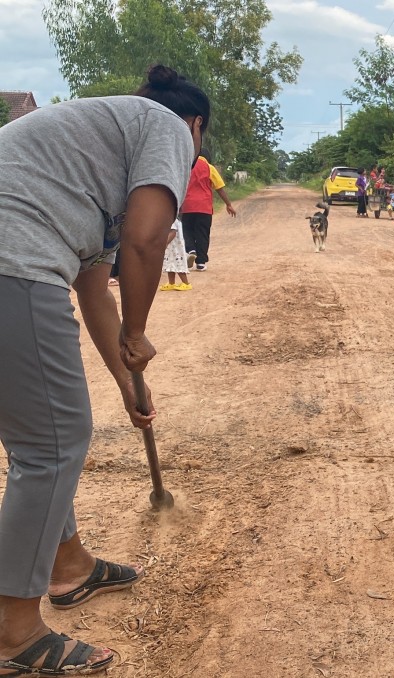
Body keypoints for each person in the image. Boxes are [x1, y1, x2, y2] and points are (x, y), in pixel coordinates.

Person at [0, 64, 206, 675]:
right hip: (14, 261)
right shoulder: (169, 128)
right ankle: (13, 633)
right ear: (195, 125)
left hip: (17, 258)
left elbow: (96, 290)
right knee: (54, 445)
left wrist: (125, 381)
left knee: (37, 439)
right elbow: (148, 241)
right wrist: (140, 332)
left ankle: (68, 567)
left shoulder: (91, 152)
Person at [180, 153, 236, 272]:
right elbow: (219, 188)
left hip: (187, 205)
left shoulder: (185, 165)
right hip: (204, 207)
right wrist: (228, 204)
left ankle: (191, 250)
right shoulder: (209, 167)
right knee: (203, 234)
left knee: (187, 230)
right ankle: (201, 263)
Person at [160, 219, 192, 291]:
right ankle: (171, 283)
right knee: (170, 265)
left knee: (178, 264)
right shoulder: (168, 218)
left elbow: (173, 232)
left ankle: (186, 283)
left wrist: (165, 244)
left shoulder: (171, 219)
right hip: (170, 248)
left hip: (175, 248)